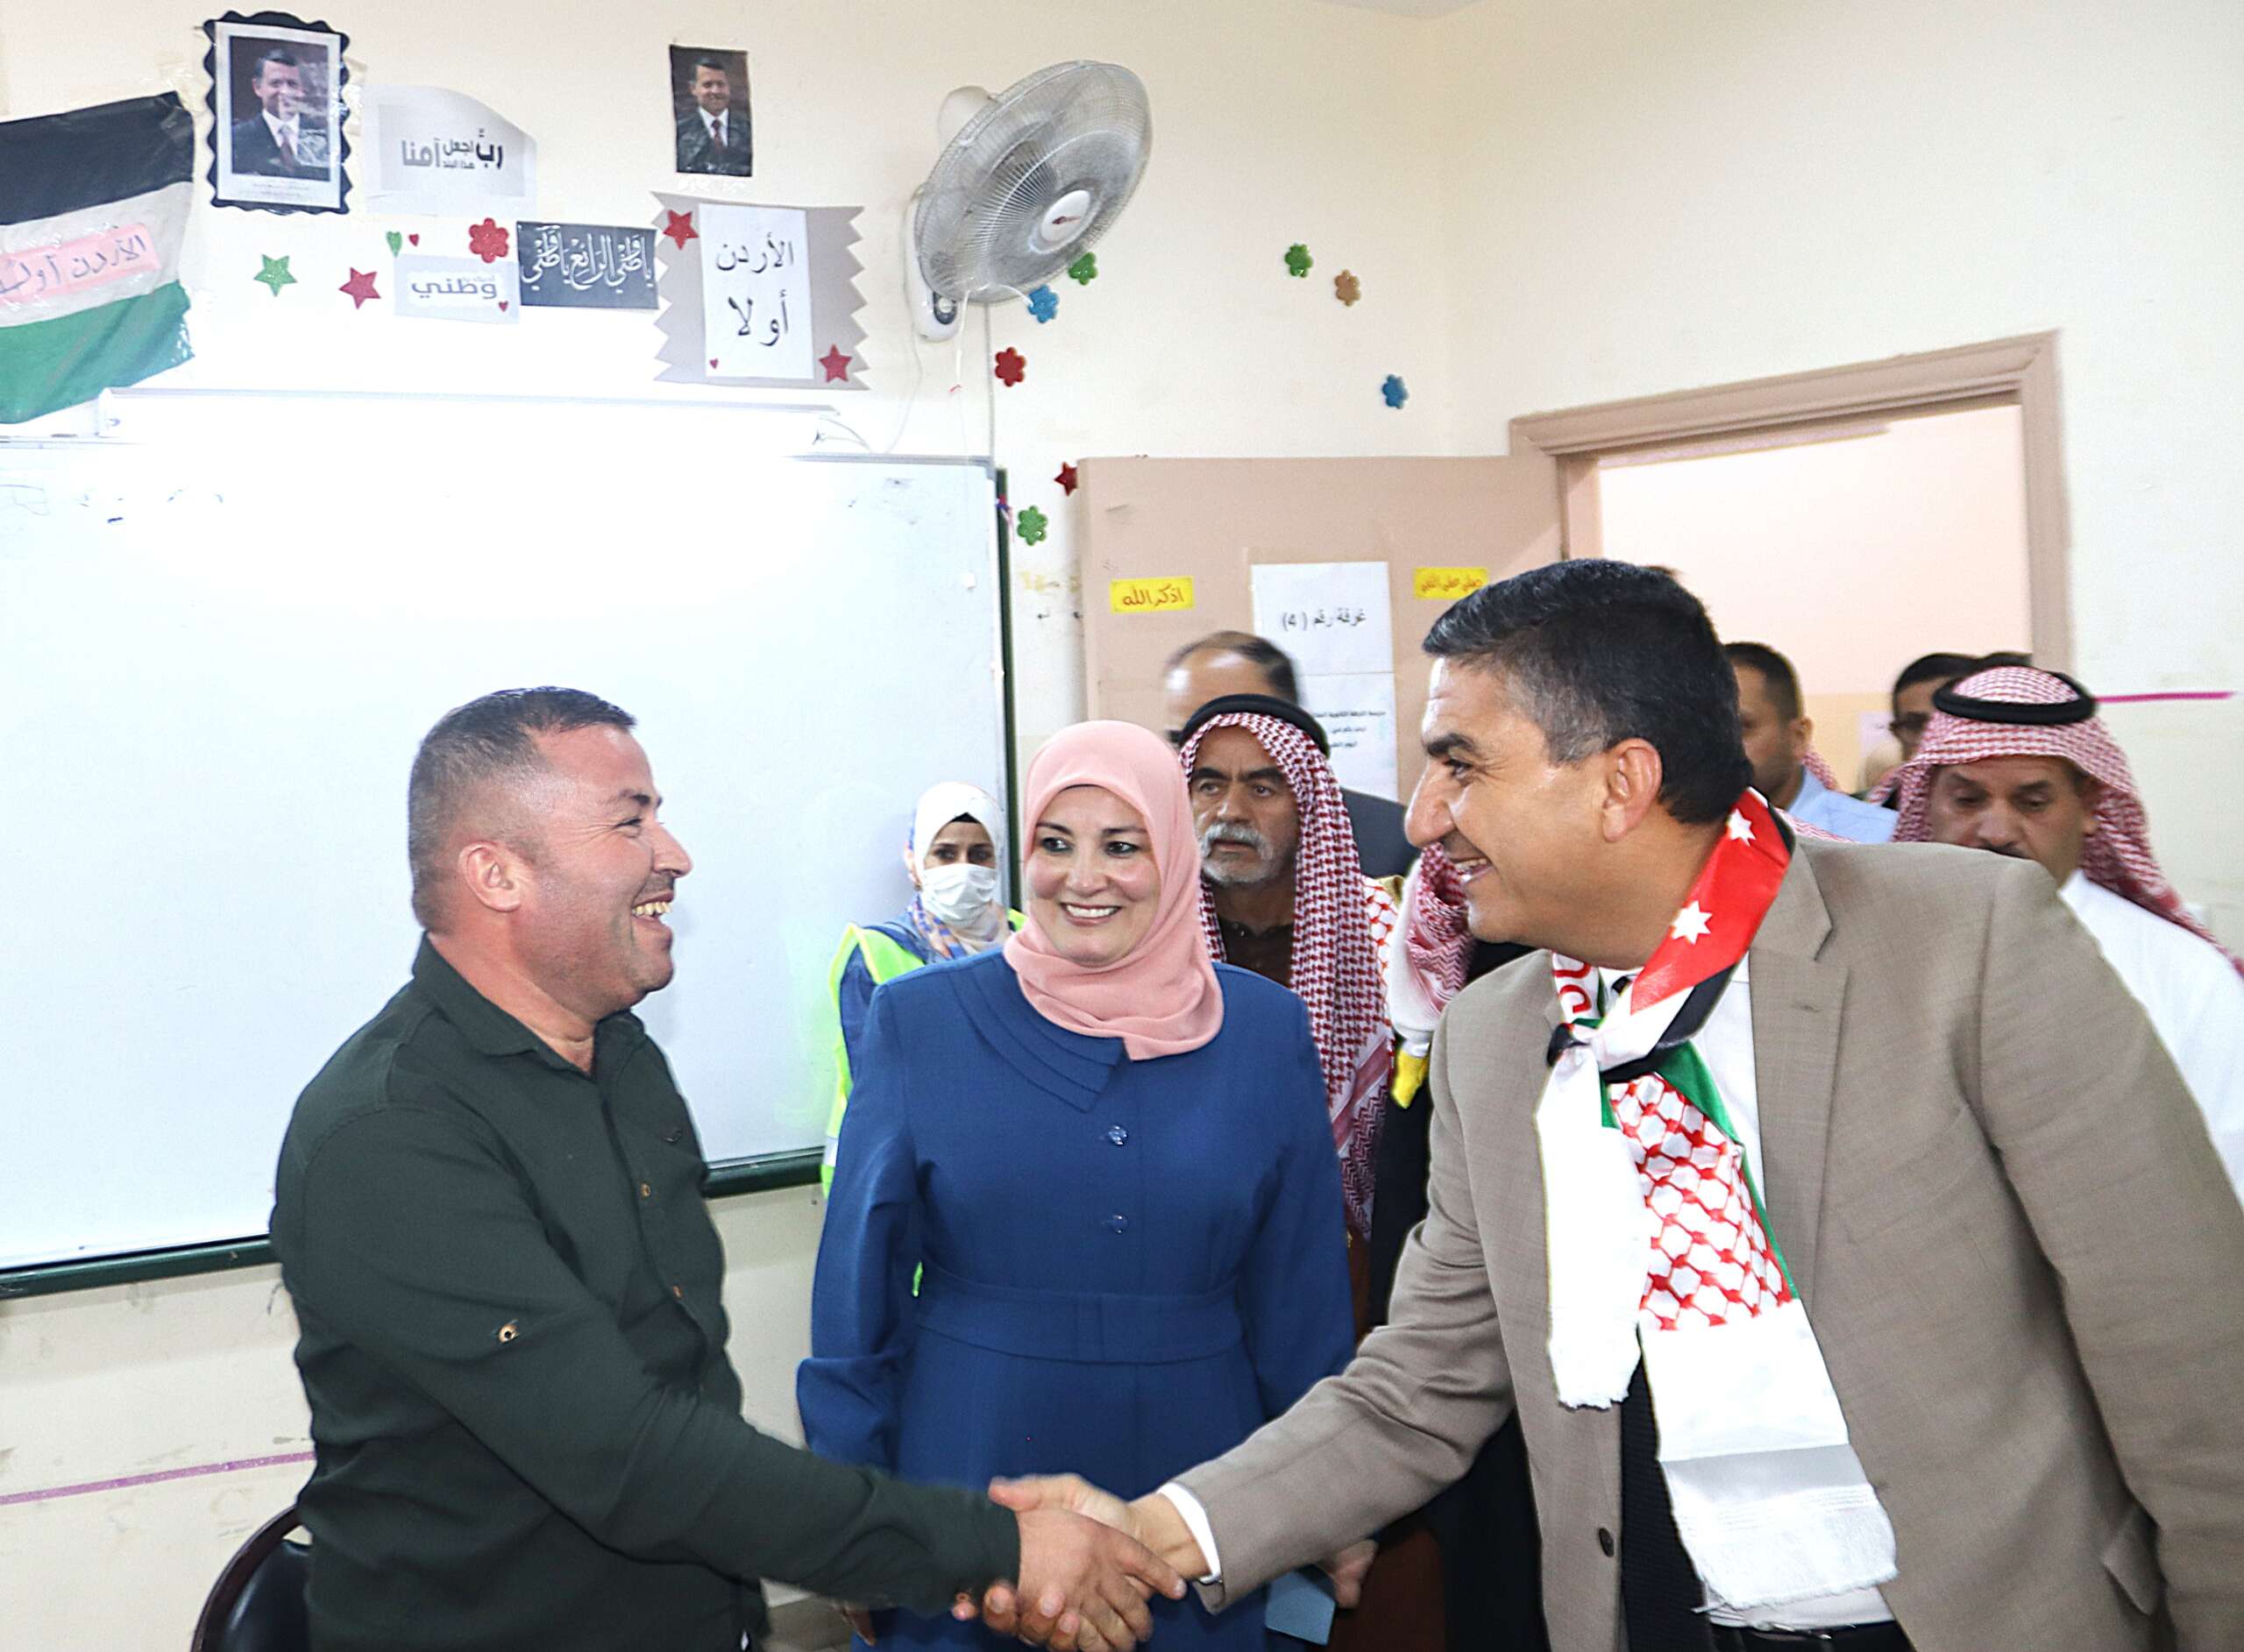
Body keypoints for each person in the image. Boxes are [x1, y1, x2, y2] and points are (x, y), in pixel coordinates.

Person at [987, 563, 2244, 1652]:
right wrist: (1151, 1530)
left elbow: (2190, 1366)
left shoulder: (1962, 947)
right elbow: (1418, 1386)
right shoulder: (1496, 1036)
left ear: (1620, 782)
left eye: (1460, 764)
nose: (1423, 819)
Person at [270, 688, 1178, 1652]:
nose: (675, 854)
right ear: (497, 873)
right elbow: (631, 1457)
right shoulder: (391, 1134)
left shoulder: (623, 1061)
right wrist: (993, 1548)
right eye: (631, 821)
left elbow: (683, 1398)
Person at [800, 720, 1358, 1650]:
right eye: (1055, 844)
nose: (1083, 878)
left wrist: (1325, 1494)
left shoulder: (1264, 1031)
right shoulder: (921, 1020)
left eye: (1122, 845)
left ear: (1173, 852)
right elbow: (856, 1296)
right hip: (971, 1463)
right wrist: (852, 1516)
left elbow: (1300, 1303)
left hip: (1200, 1478)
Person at [1890, 663, 2243, 1189]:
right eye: (1967, 800)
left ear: (2089, 806)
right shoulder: (1876, 956)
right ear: (1928, 802)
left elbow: (2226, 1175)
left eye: (2032, 803)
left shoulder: (2184, 975)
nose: (1996, 831)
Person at [1175, 695, 1395, 1249]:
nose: (1229, 811)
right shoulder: (1149, 935)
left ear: (1309, 807)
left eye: (1262, 788)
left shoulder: (1385, 935)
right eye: (1209, 786)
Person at [825, 781, 1022, 1187]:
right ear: (914, 861)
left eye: (979, 855)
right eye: (945, 854)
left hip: (1014, 1165)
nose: (963, 869)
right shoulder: (875, 952)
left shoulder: (1029, 939)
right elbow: (878, 1096)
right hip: (905, 1178)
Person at [1162, 631, 1416, 877]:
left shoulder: (1390, 847)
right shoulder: (1154, 845)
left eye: (1233, 729)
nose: (1229, 811)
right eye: (1182, 740)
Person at [1725, 641, 1895, 842]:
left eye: (1739, 727)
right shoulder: (1699, 845)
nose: (1716, 746)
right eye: (1702, 731)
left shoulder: (1883, 839)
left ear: (1798, 737)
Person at [229, 46, 322, 178]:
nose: (285, 91)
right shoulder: (236, 139)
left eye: (292, 84)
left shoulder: (322, 137)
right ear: (257, 87)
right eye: (275, 83)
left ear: (302, 89)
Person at [677, 55, 753, 176]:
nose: (716, 91)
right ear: (693, 88)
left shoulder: (749, 127)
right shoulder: (680, 130)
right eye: (708, 85)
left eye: (721, 84)